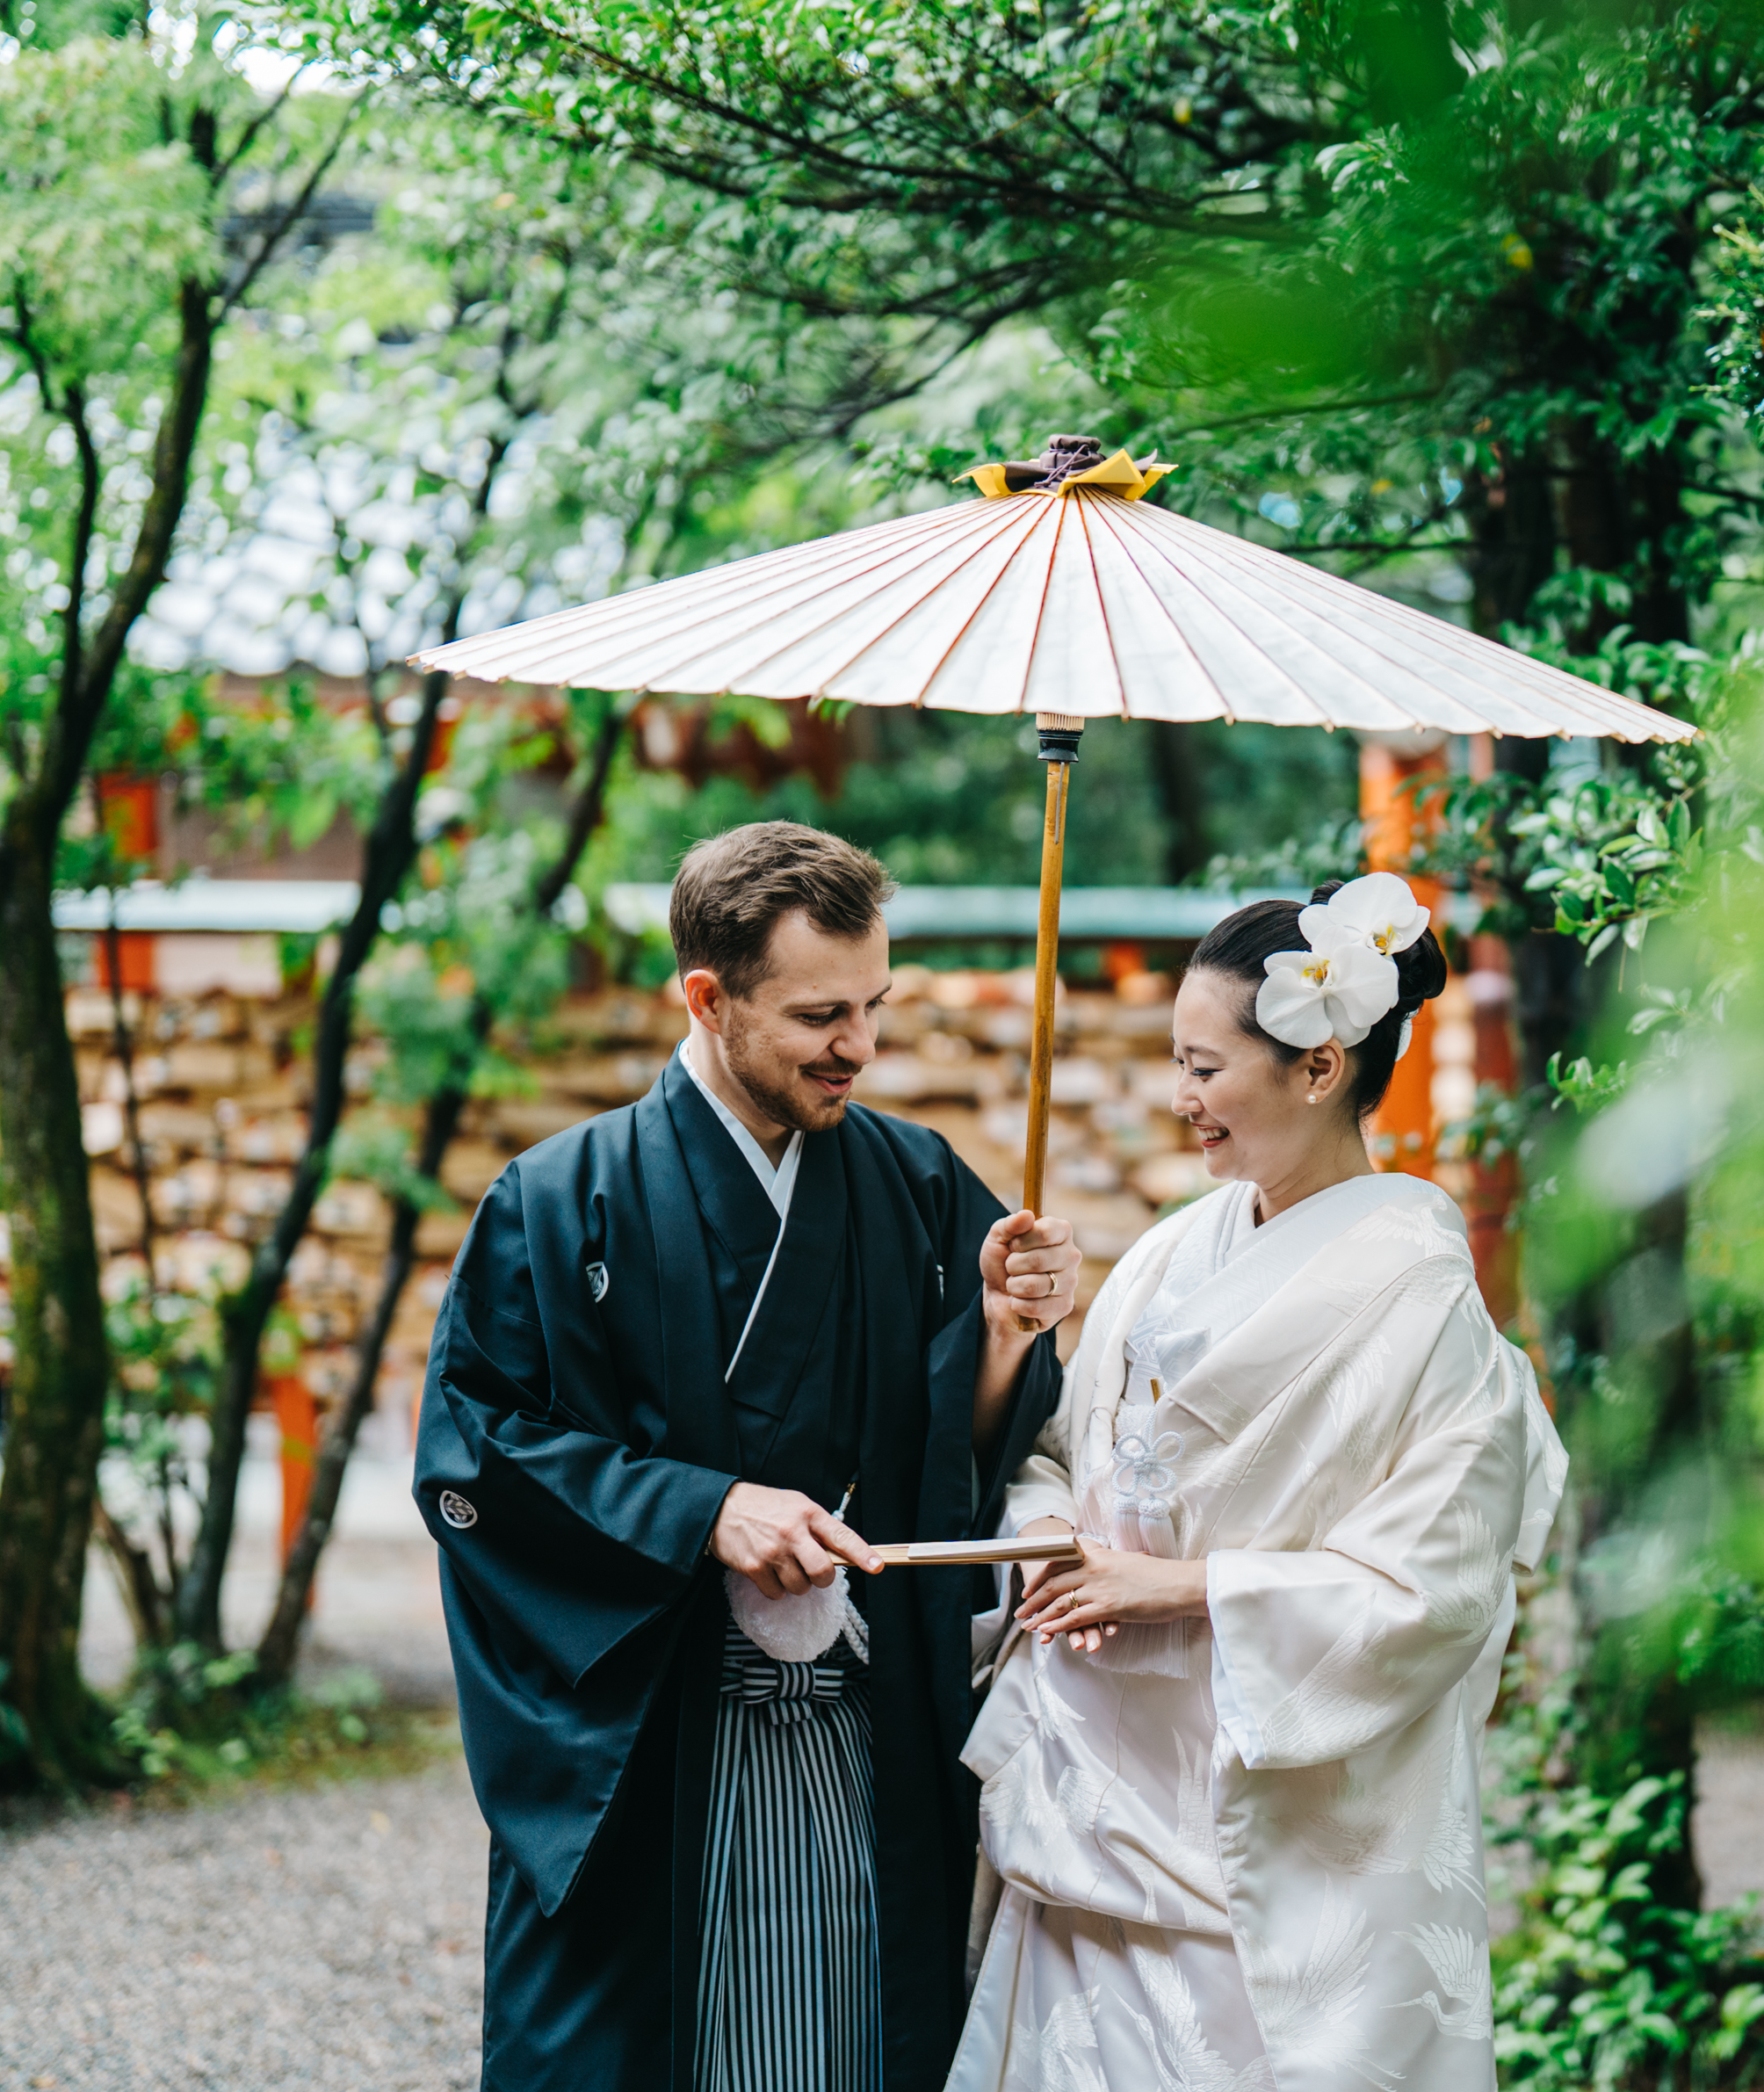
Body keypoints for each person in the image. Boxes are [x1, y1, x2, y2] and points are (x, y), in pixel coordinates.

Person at [416, 821, 1082, 2092]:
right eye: (820, 1015)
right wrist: (703, 1509)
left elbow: (969, 1445)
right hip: (656, 1733)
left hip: (860, 1727)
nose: (859, 1047)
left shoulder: (916, 1181)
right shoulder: (557, 1201)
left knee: (845, 2044)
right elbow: (479, 1455)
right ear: (708, 999)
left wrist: (1003, 1332)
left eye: (875, 1006)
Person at [947, 873, 1567, 2092]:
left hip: (1270, 1832)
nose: (1181, 1099)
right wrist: (1053, 1536)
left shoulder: (1427, 1303)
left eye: (1203, 1067)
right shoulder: (1175, 1249)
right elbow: (1059, 1455)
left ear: (1319, 1067)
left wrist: (1183, 1586)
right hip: (1091, 1780)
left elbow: (1435, 1591)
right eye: (1177, 1065)